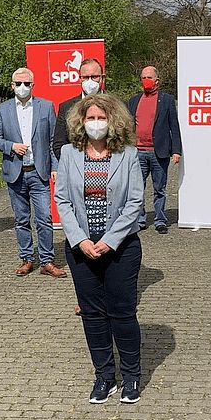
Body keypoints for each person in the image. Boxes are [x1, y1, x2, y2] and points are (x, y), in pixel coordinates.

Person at [55, 93, 145, 404]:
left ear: (114, 121)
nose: (96, 124)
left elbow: (134, 203)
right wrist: (80, 239)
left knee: (122, 313)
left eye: (101, 118)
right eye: (90, 118)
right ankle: (104, 376)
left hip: (120, 247)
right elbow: (63, 201)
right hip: (81, 248)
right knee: (92, 315)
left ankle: (131, 375)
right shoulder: (68, 154)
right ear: (81, 122)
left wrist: (109, 240)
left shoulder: (129, 155)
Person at [0, 66, 67, 278]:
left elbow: (53, 140)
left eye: (27, 84)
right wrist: (11, 146)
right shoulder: (3, 110)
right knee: (21, 219)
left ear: (33, 85)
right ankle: (26, 258)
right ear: (12, 85)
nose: (22, 87)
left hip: (39, 172)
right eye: (18, 83)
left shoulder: (45, 107)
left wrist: (55, 167)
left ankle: (47, 260)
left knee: (44, 217)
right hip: (15, 172)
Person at [127, 66, 182, 234]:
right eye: (143, 77)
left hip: (159, 152)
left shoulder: (166, 100)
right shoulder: (134, 100)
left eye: (149, 77)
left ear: (157, 81)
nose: (145, 80)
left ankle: (159, 220)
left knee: (160, 188)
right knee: (137, 189)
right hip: (138, 152)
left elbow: (174, 126)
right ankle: (140, 219)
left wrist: (176, 150)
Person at [52, 58, 105, 160]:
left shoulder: (117, 105)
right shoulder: (66, 107)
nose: (90, 81)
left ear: (102, 78)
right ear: (80, 78)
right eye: (85, 77)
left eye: (94, 77)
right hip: (77, 168)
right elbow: (59, 145)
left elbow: (124, 140)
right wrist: (73, 165)